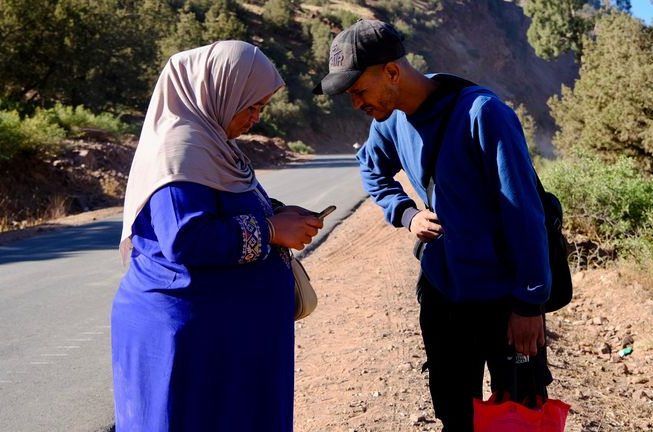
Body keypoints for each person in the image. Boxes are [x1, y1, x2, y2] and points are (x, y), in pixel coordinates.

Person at [314, 20, 553, 430]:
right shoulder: (388, 122)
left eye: (358, 91)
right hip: (444, 296)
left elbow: (524, 213)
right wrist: (407, 214)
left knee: (521, 417)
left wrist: (529, 305)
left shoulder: (484, 114)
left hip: (504, 301)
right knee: (456, 417)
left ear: (391, 72)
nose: (356, 104)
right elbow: (371, 170)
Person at [112, 41, 323, 431]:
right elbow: (185, 238)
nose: (256, 118)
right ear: (220, 89)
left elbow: (224, 206)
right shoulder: (180, 150)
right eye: (252, 105)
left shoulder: (215, 148)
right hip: (190, 340)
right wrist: (272, 230)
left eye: (262, 107)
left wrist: (276, 213)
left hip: (227, 340)